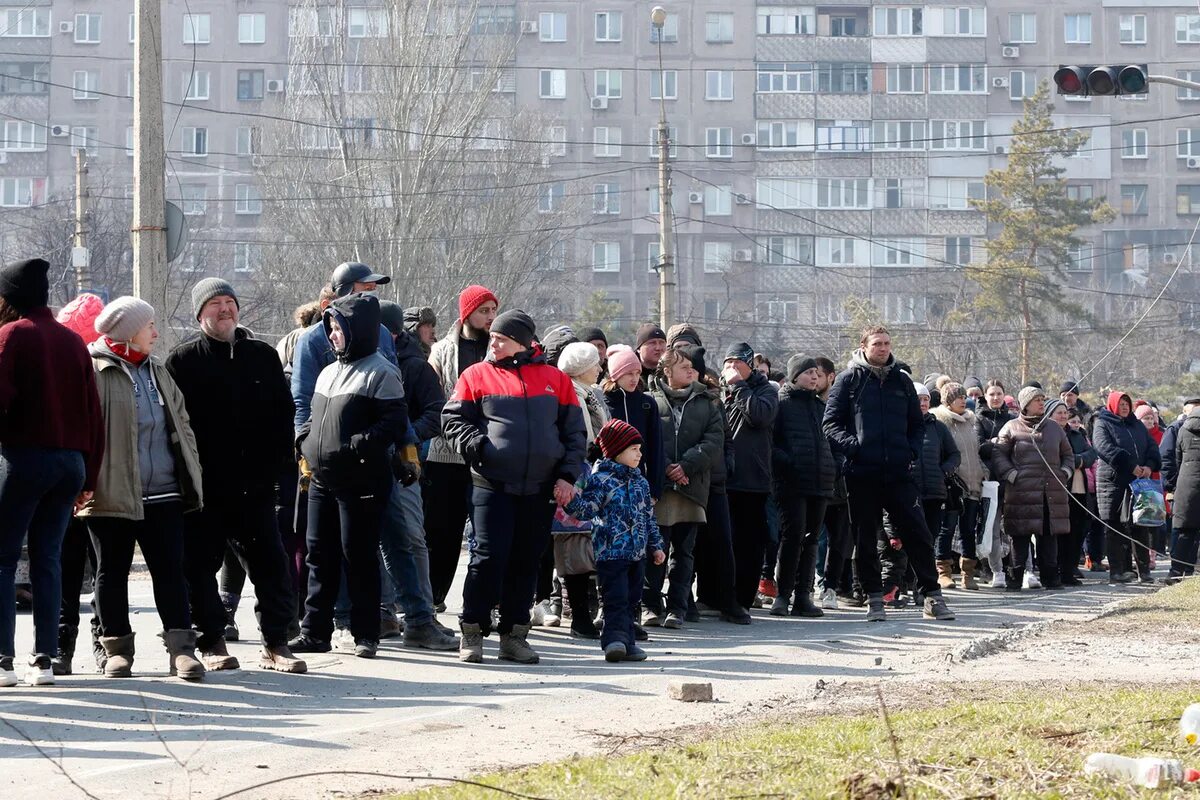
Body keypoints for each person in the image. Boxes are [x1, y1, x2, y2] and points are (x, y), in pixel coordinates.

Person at [166, 279, 307, 674]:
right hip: (204, 489)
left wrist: (280, 467)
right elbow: (174, 426)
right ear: (200, 314)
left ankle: (276, 642)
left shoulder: (261, 356)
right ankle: (211, 641)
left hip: (256, 487)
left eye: (230, 302)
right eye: (215, 304)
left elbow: (284, 413)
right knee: (199, 567)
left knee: (271, 565)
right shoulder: (183, 361)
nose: (225, 309)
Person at [442, 310, 587, 664]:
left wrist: (567, 476)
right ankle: (473, 631)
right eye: (492, 336)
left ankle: (514, 635)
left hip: (539, 489)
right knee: (487, 558)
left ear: (522, 341)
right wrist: (477, 445)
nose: (493, 342)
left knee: (526, 561)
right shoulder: (476, 374)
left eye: (501, 338)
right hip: (490, 484)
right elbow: (452, 417)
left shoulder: (556, 380)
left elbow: (574, 434)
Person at [79, 297, 206, 681]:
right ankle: (117, 650)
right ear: (128, 332)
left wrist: (191, 470)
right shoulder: (94, 369)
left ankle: (182, 651)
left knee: (170, 571)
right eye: (148, 325)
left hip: (164, 491)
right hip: (111, 492)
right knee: (111, 572)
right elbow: (82, 429)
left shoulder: (156, 369)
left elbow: (181, 421)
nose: (155, 332)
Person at [0, 259, 105, 688]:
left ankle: (3, 661)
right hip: (71, 466)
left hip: (25, 460)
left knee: (3, 561)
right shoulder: (72, 342)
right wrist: (89, 478)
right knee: (49, 559)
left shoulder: (10, 336)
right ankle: (44, 660)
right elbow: (93, 415)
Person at [289, 293, 410, 659]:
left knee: (357, 556)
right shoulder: (328, 370)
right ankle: (315, 631)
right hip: (323, 479)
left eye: (339, 327)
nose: (333, 334)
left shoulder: (381, 371)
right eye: (330, 328)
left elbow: (392, 422)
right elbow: (312, 415)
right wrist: (305, 442)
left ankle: (365, 633)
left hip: (362, 481)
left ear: (357, 329)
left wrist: (355, 448)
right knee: (318, 556)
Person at [823, 325, 955, 622]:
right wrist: (855, 448)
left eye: (886, 343)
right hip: (861, 473)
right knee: (865, 537)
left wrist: (910, 451)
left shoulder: (902, 381)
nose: (883, 348)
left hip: (899, 472)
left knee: (918, 534)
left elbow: (917, 424)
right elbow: (830, 424)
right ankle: (873, 598)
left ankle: (932, 596)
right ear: (864, 346)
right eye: (877, 344)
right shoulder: (848, 381)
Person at [376, 302, 458, 650]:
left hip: (405, 467)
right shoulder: (349, 361)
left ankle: (420, 614)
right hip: (363, 466)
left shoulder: (416, 368)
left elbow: (436, 412)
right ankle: (379, 613)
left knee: (411, 538)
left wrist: (404, 436)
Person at [564, 420, 666, 662]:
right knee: (616, 598)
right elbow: (586, 511)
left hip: (636, 554)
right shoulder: (601, 480)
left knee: (631, 599)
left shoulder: (641, 482)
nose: (639, 454)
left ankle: (628, 642)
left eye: (640, 449)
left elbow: (648, 517)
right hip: (611, 553)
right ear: (617, 450)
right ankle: (613, 641)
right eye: (634, 449)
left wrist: (656, 546)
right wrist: (568, 500)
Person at [424, 284, 498, 607]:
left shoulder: (498, 351)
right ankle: (434, 596)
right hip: (445, 452)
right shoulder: (441, 350)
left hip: (486, 450)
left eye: (494, 310)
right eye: (484, 310)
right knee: (443, 531)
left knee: (486, 534)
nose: (490, 317)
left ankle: (486, 602)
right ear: (467, 313)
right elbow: (433, 393)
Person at [645, 345, 723, 629]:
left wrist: (686, 466)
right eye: (683, 367)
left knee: (684, 552)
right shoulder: (649, 400)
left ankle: (677, 608)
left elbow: (714, 441)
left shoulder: (707, 402)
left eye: (691, 366)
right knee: (655, 549)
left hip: (692, 487)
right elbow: (646, 440)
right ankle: (651, 606)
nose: (691, 371)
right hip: (661, 488)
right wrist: (667, 467)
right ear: (667, 372)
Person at [51, 293, 106, 675]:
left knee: (76, 565)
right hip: (86, 480)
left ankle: (64, 644)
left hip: (80, 480)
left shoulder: (77, 367)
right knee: (94, 565)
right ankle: (85, 640)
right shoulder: (92, 368)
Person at [769, 355, 834, 617]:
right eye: (809, 373)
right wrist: (789, 463)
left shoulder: (821, 407)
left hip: (820, 483)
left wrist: (834, 464)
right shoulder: (781, 404)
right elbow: (771, 444)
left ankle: (803, 597)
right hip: (791, 483)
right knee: (792, 537)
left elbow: (834, 439)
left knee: (811, 541)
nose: (814, 377)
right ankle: (782, 595)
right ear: (795, 376)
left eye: (816, 374)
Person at [992, 388, 1074, 591]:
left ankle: (1051, 579)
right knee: (1019, 538)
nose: (1041, 403)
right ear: (1025, 404)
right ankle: (1014, 579)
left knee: (1048, 538)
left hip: (1050, 494)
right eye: (1036, 400)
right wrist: (1011, 474)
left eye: (1042, 399)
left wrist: (1064, 472)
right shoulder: (1011, 427)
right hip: (1021, 493)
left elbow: (1068, 454)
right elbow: (998, 455)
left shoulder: (1055, 428)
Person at [555, 341, 610, 639]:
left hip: (590, 476)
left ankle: (584, 615)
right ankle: (577, 617)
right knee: (572, 548)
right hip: (572, 477)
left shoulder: (592, 395)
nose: (600, 367)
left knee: (583, 548)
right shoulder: (568, 395)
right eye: (594, 362)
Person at [722, 342, 779, 613]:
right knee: (724, 541)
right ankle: (721, 597)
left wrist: (740, 387)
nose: (732, 369)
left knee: (751, 543)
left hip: (753, 480)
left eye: (737, 363)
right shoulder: (720, 392)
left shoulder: (765, 390)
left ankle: (743, 599)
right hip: (724, 478)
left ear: (750, 365)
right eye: (728, 364)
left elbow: (759, 416)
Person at [1093, 391, 1161, 584]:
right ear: (1113, 404)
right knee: (1114, 525)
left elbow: (1151, 446)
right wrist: (1131, 465)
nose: (1124, 407)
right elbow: (1104, 448)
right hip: (1113, 482)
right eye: (1121, 403)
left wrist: (1149, 465)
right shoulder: (1102, 423)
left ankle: (1144, 571)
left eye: (1127, 403)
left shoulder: (1137, 424)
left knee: (1140, 524)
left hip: (1138, 483)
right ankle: (1117, 570)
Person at [932, 383, 986, 590]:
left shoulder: (971, 422)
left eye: (964, 397)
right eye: (958, 397)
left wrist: (983, 473)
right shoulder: (941, 422)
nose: (963, 400)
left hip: (973, 484)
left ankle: (968, 574)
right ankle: (944, 572)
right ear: (947, 401)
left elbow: (975, 453)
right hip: (953, 485)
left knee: (968, 530)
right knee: (947, 529)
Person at [603, 344, 665, 502]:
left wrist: (655, 490)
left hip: (639, 485)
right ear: (615, 374)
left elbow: (656, 449)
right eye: (628, 373)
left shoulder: (647, 404)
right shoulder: (602, 402)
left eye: (637, 373)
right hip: (607, 485)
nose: (634, 378)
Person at [976, 379, 1015, 588]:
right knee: (991, 528)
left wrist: (997, 444)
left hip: (1012, 481)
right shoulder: (979, 419)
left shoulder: (1012, 419)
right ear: (985, 396)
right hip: (990, 482)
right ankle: (996, 570)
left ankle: (1022, 569)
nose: (996, 398)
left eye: (999, 393)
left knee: (1016, 528)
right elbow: (979, 447)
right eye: (991, 394)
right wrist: (998, 443)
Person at [1057, 403, 1098, 586]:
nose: (1063, 416)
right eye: (1059, 413)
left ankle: (1070, 568)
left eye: (1065, 412)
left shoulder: (1077, 434)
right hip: (1059, 489)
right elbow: (1056, 458)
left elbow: (1091, 454)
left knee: (1077, 530)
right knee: (1061, 533)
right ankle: (1057, 569)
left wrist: (1077, 460)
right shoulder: (1049, 434)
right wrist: (1076, 459)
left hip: (1079, 488)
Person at [1162, 397, 1200, 579]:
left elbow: (1176, 459)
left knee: (1186, 530)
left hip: (1187, 484)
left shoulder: (1182, 429)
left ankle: (1176, 571)